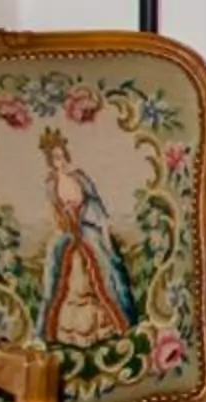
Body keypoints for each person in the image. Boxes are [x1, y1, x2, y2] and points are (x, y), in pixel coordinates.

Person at [37, 125, 137, 344]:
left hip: (88, 229)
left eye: (62, 156)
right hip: (67, 233)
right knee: (56, 273)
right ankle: (54, 331)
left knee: (106, 270)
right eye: (55, 158)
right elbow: (53, 211)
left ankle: (118, 322)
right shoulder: (51, 184)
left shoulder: (79, 178)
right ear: (50, 161)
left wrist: (98, 226)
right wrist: (63, 219)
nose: (60, 161)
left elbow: (96, 205)